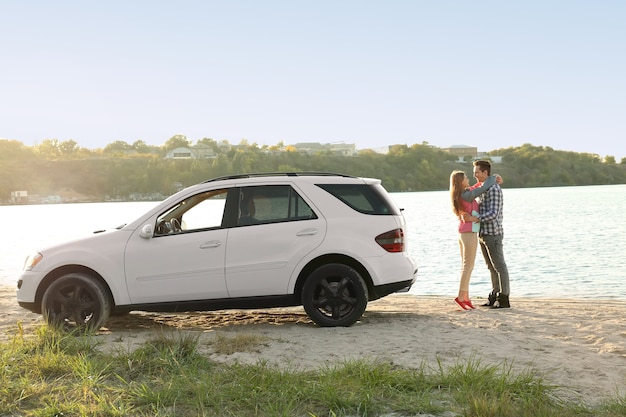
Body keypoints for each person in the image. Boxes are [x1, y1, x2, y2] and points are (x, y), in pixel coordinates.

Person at [449, 170, 499, 310]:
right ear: (460, 181)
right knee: (468, 266)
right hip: (468, 232)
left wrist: (489, 180)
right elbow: (482, 188)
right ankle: (460, 297)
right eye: (465, 177)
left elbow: (477, 186)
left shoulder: (464, 193)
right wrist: (493, 178)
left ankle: (465, 297)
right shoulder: (466, 195)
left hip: (464, 232)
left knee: (466, 267)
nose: (468, 178)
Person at [467, 159, 510, 309]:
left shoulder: (494, 189)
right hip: (482, 233)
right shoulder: (483, 187)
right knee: (491, 267)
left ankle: (504, 298)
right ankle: (495, 294)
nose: (475, 175)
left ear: (485, 172)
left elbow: (493, 213)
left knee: (500, 266)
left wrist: (476, 218)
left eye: (477, 172)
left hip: (493, 233)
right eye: (474, 173)